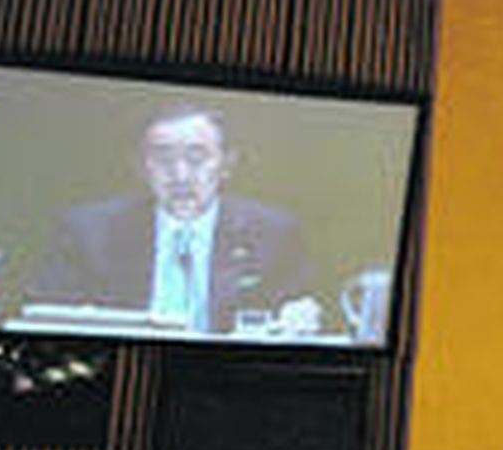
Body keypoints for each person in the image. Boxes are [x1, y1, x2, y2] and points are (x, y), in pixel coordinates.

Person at [26, 105, 317, 335]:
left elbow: (299, 306)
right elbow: (46, 313)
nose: (180, 176)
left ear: (226, 165)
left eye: (196, 158)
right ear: (141, 167)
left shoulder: (272, 232)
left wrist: (299, 316)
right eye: (163, 159)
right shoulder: (88, 230)